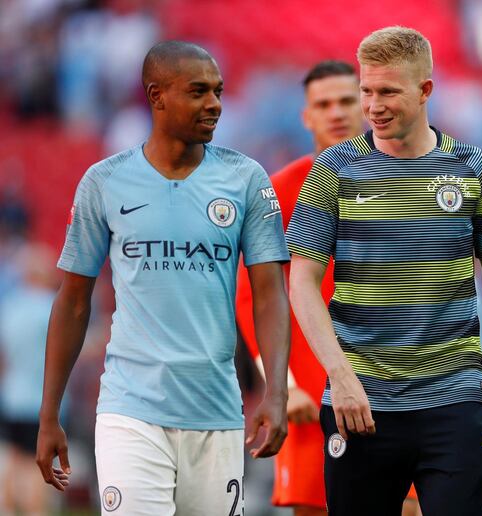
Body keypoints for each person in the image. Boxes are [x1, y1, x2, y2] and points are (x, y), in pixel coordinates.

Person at [286, 26, 482, 516]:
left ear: (425, 91)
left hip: (455, 402)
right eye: (367, 91)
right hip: (362, 403)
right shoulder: (333, 170)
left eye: (388, 92)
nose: (373, 105)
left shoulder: (472, 168)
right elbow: (302, 280)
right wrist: (340, 376)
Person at [35, 40, 291, 515]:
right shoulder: (105, 181)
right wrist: (49, 413)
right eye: (197, 91)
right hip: (131, 409)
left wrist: (277, 392)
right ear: (156, 97)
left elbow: (270, 293)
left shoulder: (246, 179)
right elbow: (73, 301)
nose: (214, 104)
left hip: (217, 411)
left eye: (218, 91)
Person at [235, 59, 420, 516]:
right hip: (315, 397)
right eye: (323, 104)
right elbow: (250, 296)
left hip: (402, 391)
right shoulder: (278, 193)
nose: (335, 112)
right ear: (307, 116)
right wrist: (286, 385)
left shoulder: (411, 179)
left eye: (345, 100)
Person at [0, 244, 58, 516]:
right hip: (44, 400)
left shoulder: (10, 307)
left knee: (13, 458)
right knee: (41, 465)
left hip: (12, 396)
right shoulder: (51, 306)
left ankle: (8, 509)